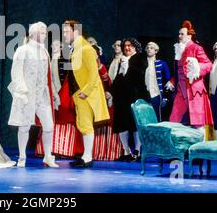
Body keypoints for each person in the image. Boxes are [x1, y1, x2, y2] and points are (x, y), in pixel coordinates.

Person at [8, 21, 60, 168]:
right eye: (41, 32)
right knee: (24, 126)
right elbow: (16, 72)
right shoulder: (22, 50)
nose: (44, 35)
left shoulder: (44, 51)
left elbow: (48, 75)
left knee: (49, 126)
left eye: (45, 33)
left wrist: (54, 92)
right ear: (33, 33)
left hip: (42, 95)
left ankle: (48, 156)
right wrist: (22, 91)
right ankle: (22, 157)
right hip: (27, 94)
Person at [62, 20, 110, 167]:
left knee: (86, 124)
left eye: (66, 31)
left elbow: (94, 72)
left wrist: (86, 91)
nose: (64, 34)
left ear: (75, 31)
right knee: (82, 123)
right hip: (78, 93)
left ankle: (88, 157)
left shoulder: (86, 48)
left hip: (85, 94)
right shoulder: (77, 48)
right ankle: (85, 155)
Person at [167, 20, 213, 137]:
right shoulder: (178, 49)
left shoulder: (196, 48)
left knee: (198, 122)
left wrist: (198, 68)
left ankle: (200, 148)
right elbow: (179, 71)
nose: (179, 36)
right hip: (181, 90)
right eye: (179, 34)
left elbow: (208, 65)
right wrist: (172, 81)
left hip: (194, 90)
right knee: (174, 120)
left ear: (189, 35)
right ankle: (176, 149)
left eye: (182, 34)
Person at [112, 38, 149, 161]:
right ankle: (126, 151)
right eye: (125, 46)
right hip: (122, 97)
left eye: (130, 45)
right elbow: (118, 78)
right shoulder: (121, 60)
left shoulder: (140, 58)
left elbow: (139, 75)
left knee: (135, 124)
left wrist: (128, 66)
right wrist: (111, 92)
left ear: (135, 47)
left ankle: (137, 151)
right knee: (122, 124)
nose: (127, 48)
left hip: (135, 96)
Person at [145, 42, 172, 121]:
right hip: (145, 95)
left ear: (156, 51)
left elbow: (168, 81)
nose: (149, 49)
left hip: (156, 95)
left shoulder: (162, 63)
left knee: (157, 118)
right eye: (148, 48)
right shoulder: (142, 63)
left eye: (151, 48)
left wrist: (166, 97)